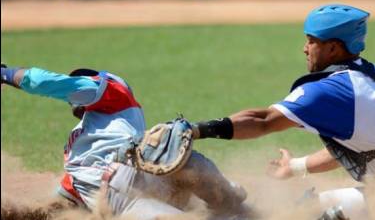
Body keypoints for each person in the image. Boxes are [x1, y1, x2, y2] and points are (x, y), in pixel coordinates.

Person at [188, 4, 375, 219]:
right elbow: (370, 147)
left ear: (333, 48)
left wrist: (198, 130)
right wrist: (294, 166)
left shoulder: (329, 90)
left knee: (313, 214)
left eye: (312, 41)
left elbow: (263, 121)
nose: (305, 48)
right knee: (311, 207)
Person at [0, 64, 247, 219]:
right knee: (184, 165)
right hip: (126, 196)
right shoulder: (83, 137)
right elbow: (65, 199)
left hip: (126, 192)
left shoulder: (111, 93)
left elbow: (44, 83)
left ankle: (232, 202)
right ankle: (232, 201)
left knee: (184, 163)